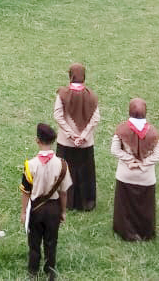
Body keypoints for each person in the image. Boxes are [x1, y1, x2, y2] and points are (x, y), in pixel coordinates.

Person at [21, 122, 71, 279]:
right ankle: (50, 270)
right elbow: (63, 192)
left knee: (34, 241)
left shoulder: (30, 165)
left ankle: (33, 270)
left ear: (37, 140)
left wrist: (24, 211)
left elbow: (26, 192)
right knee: (51, 240)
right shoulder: (62, 165)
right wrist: (62, 211)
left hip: (36, 208)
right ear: (53, 141)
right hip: (53, 208)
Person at [111, 97, 159, 241]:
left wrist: (130, 160)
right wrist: (143, 163)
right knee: (144, 207)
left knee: (125, 205)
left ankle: (125, 231)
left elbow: (115, 150)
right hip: (146, 178)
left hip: (125, 175)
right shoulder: (153, 132)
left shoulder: (121, 130)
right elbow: (158, 155)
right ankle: (144, 232)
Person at [52, 63, 100, 212]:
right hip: (85, 143)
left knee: (65, 172)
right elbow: (96, 118)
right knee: (85, 173)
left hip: (66, 142)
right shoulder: (92, 96)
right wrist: (83, 135)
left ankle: (66, 202)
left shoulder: (62, 94)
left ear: (70, 76)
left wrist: (70, 134)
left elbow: (58, 116)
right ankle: (86, 202)